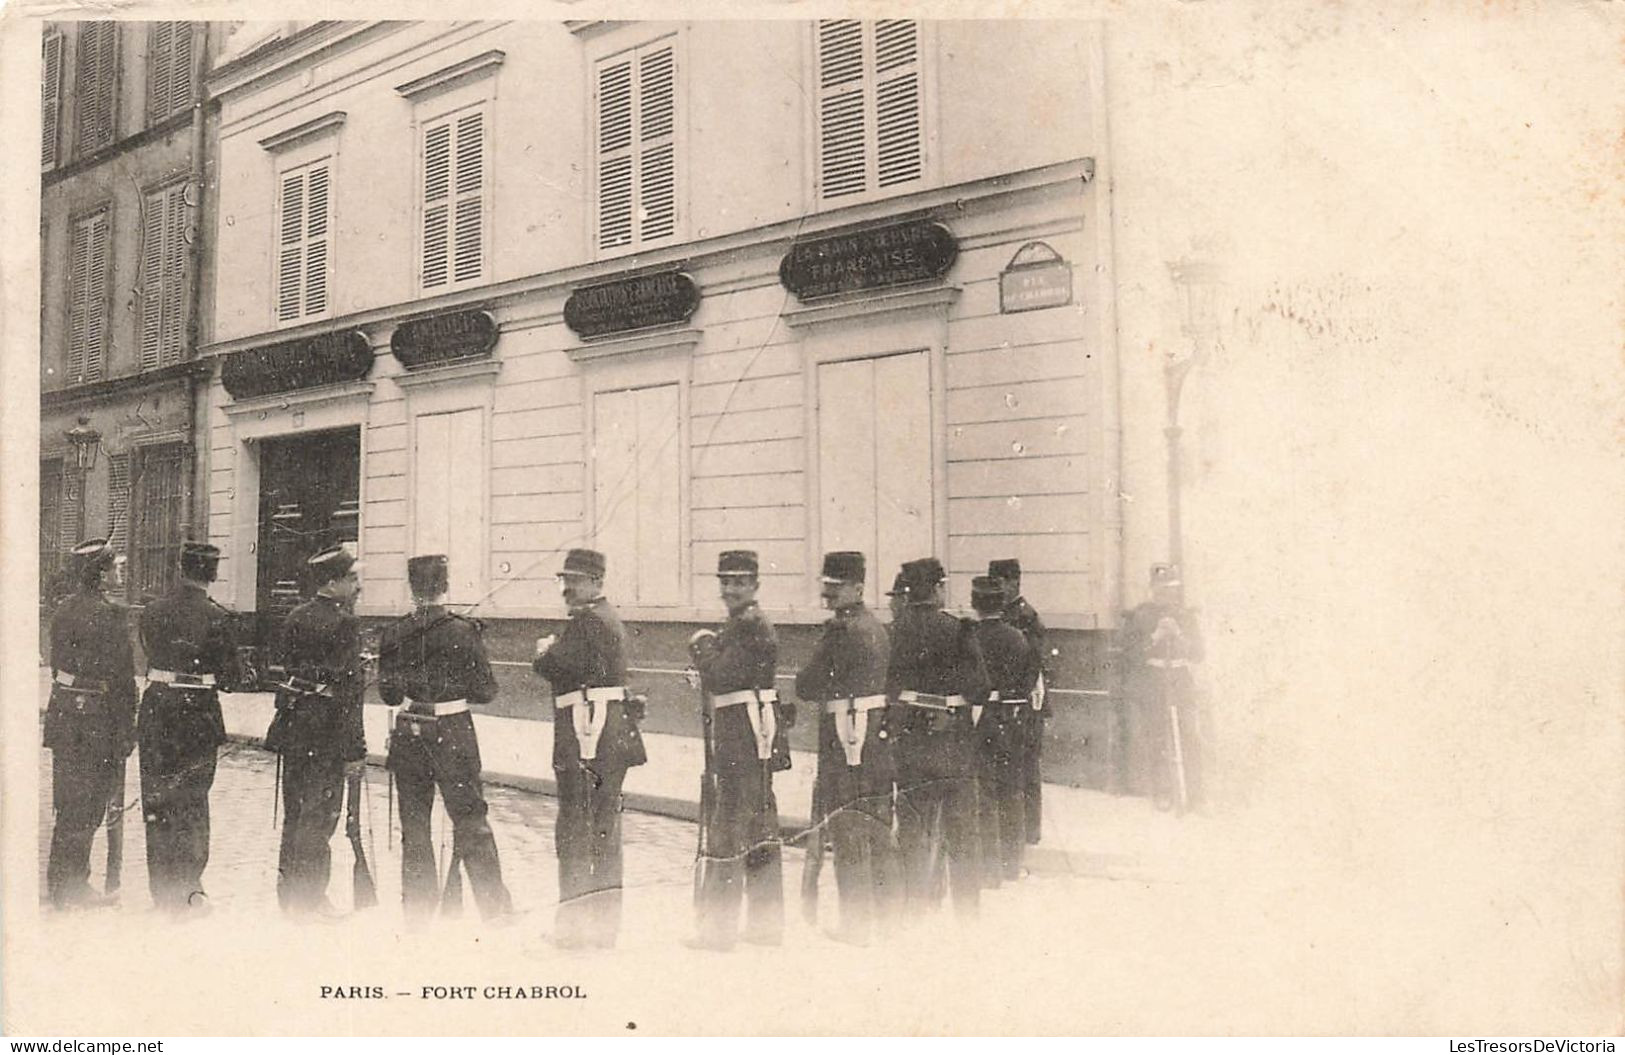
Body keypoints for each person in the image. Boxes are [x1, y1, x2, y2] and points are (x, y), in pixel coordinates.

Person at [379, 554, 514, 923]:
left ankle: (418, 914)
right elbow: (486, 691)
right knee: (471, 820)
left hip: (409, 731)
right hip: (452, 733)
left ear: (412, 587)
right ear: (445, 586)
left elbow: (389, 695)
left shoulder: (393, 633)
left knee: (415, 824)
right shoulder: (462, 630)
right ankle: (495, 910)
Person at [532, 548, 647, 949]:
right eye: (565, 580)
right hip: (607, 738)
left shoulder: (587, 622)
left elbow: (553, 667)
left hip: (587, 737)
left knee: (576, 831)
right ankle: (603, 929)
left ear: (597, 582)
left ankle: (573, 930)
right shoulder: (607, 617)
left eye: (575, 580)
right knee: (604, 831)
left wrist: (544, 651)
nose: (567, 588)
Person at [794, 551, 899, 945]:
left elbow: (807, 685)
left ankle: (855, 924)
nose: (829, 594)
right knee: (875, 825)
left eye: (836, 588)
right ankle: (888, 917)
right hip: (873, 736)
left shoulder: (841, 631)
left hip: (846, 737)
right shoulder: (876, 626)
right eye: (828, 586)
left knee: (848, 825)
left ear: (857, 588)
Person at [688, 550, 790, 950]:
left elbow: (722, 677)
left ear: (755, 585)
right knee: (760, 825)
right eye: (725, 582)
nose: (729, 590)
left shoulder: (749, 625)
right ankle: (766, 925)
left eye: (739, 582)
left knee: (729, 827)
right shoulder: (745, 623)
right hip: (753, 735)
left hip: (741, 738)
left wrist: (701, 649)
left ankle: (717, 930)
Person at [137, 540, 241, 914]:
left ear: (182, 568)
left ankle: (161, 890)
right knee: (193, 799)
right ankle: (189, 888)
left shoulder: (151, 611)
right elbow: (231, 679)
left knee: (158, 797)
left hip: (157, 709)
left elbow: (149, 654)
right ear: (211, 573)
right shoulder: (218, 617)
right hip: (197, 715)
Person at [887, 557, 991, 918]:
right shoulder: (959, 630)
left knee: (913, 827)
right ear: (937, 589)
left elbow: (888, 687)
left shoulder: (895, 630)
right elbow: (980, 689)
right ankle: (967, 911)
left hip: (911, 741)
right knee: (962, 830)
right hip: (954, 744)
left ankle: (912, 907)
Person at [266, 545, 366, 918]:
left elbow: (292, 666)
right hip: (328, 730)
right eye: (353, 579)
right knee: (320, 813)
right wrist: (355, 750)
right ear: (332, 582)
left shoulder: (294, 616)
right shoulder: (346, 624)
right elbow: (350, 693)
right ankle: (310, 899)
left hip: (296, 725)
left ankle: (289, 892)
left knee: (295, 809)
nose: (358, 587)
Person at [44, 539, 138, 911]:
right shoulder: (113, 615)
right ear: (100, 574)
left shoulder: (62, 610)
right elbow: (123, 678)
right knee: (90, 804)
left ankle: (61, 883)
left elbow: (57, 666)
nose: (118, 573)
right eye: (115, 567)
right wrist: (126, 727)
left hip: (66, 714)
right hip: (99, 719)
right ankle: (73, 886)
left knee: (68, 801)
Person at [968, 575, 1040, 884]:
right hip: (1013, 718)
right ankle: (1011, 865)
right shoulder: (1018, 638)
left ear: (974, 604)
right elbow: (1030, 677)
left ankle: (988, 867)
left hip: (980, 718)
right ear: (1001, 604)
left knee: (983, 792)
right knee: (1011, 791)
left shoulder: (970, 637)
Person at [1120, 563, 1206, 810]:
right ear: (1152, 588)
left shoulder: (1186, 616)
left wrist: (1179, 635)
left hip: (1180, 680)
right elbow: (1130, 655)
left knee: (1190, 736)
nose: (1167, 594)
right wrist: (1155, 636)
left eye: (1171, 589)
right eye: (1162, 588)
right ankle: (1163, 793)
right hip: (1153, 681)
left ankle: (1194, 796)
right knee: (1157, 739)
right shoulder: (1140, 615)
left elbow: (1199, 654)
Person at [990, 558, 1051, 846]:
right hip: (1009, 701)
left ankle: (1030, 828)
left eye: (1000, 583)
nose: (997, 588)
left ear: (1014, 583)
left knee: (1027, 764)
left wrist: (1016, 695)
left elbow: (1033, 664)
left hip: (1026, 703)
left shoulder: (1027, 617)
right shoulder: (1004, 614)